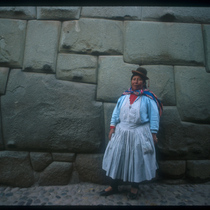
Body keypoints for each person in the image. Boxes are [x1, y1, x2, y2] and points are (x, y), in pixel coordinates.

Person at [100, 66, 163, 199]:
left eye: (139, 79)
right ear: (131, 81)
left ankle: (135, 187)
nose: (136, 81)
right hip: (122, 131)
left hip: (139, 132)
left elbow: (154, 116)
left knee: (137, 159)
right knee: (117, 157)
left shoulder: (148, 98)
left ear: (144, 82)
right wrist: (112, 127)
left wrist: (153, 133)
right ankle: (114, 185)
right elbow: (116, 112)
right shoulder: (124, 96)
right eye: (134, 79)